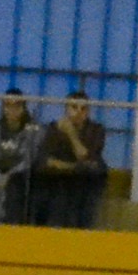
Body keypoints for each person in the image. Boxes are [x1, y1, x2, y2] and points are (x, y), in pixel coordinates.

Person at [37, 90, 108, 227]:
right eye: (74, 107)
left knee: (91, 173)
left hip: (84, 182)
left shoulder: (96, 130)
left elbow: (86, 157)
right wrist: (72, 167)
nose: (78, 113)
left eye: (83, 109)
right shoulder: (54, 128)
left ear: (88, 111)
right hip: (58, 180)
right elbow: (46, 160)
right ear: (66, 109)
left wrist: (71, 134)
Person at [0, 91, 43, 224]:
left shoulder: (33, 129)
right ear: (2, 107)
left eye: (17, 106)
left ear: (24, 108)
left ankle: (14, 225)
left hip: (18, 174)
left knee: (19, 186)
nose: (12, 110)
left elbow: (30, 159)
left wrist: (8, 176)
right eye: (8, 105)